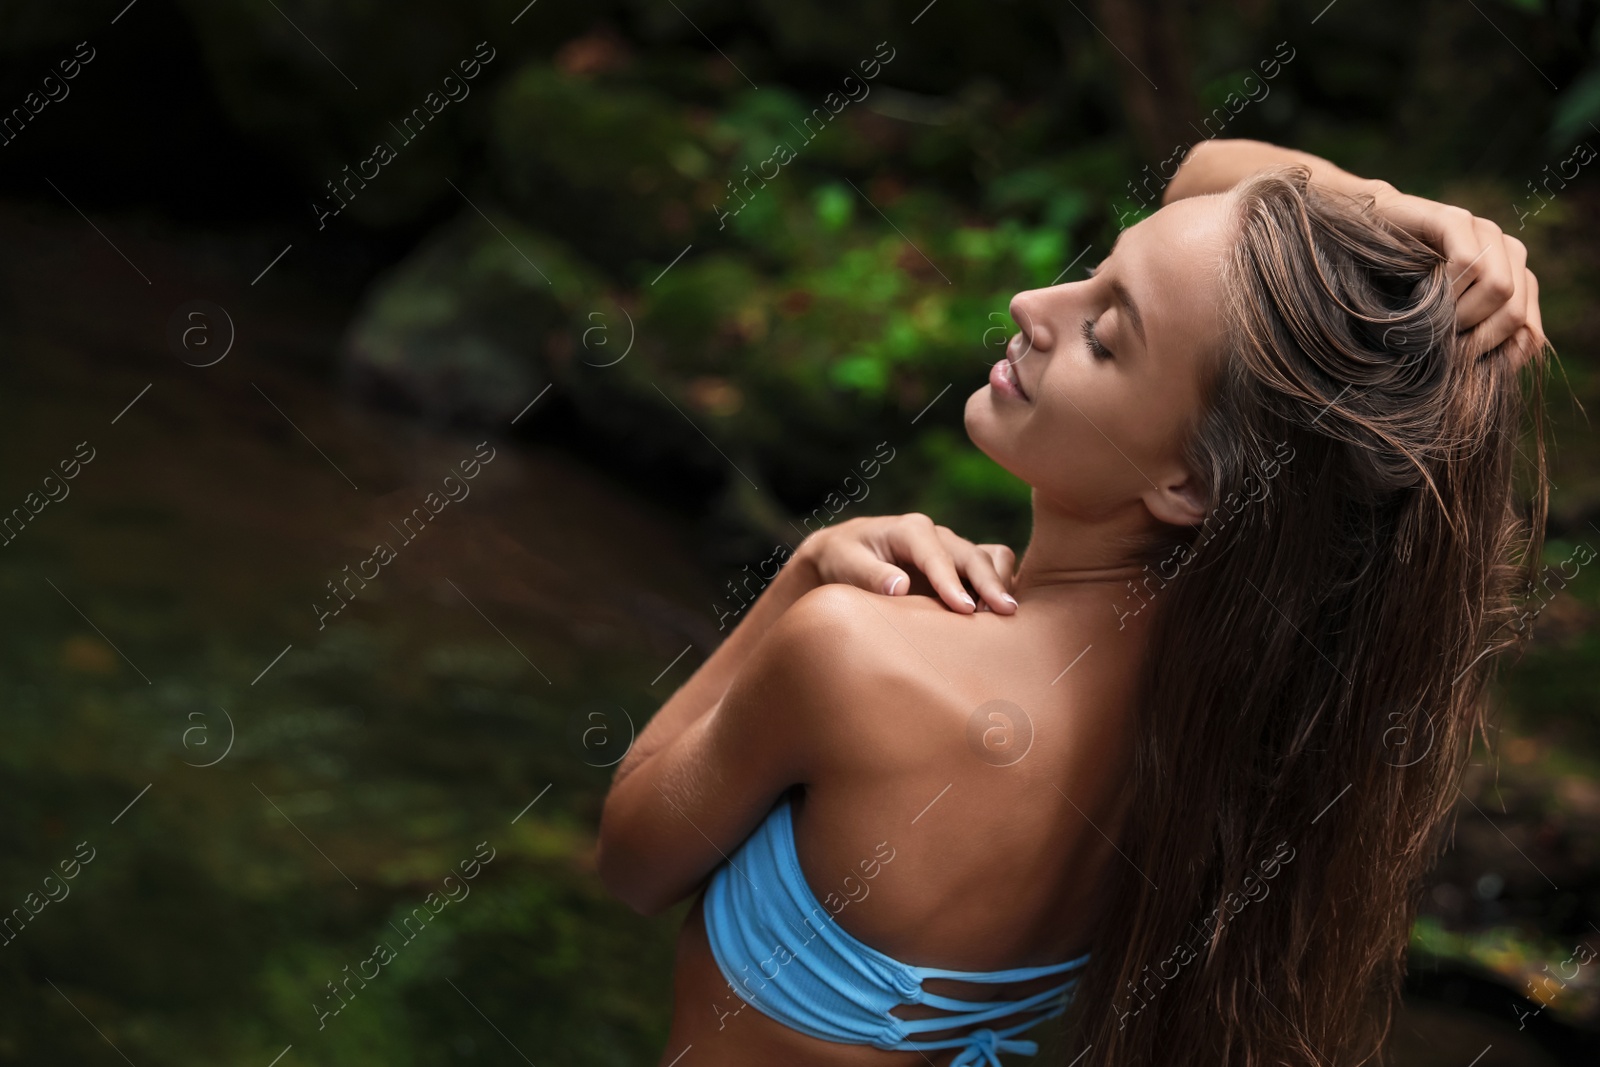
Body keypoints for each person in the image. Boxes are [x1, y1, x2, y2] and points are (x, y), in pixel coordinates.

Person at [597, 137, 1551, 1067]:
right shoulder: (1248, 729)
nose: (1033, 302)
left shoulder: (856, 655)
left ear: (1188, 484)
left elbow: (632, 862)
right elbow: (1206, 177)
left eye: (1102, 334)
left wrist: (804, 570)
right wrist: (1397, 216)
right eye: (1095, 271)